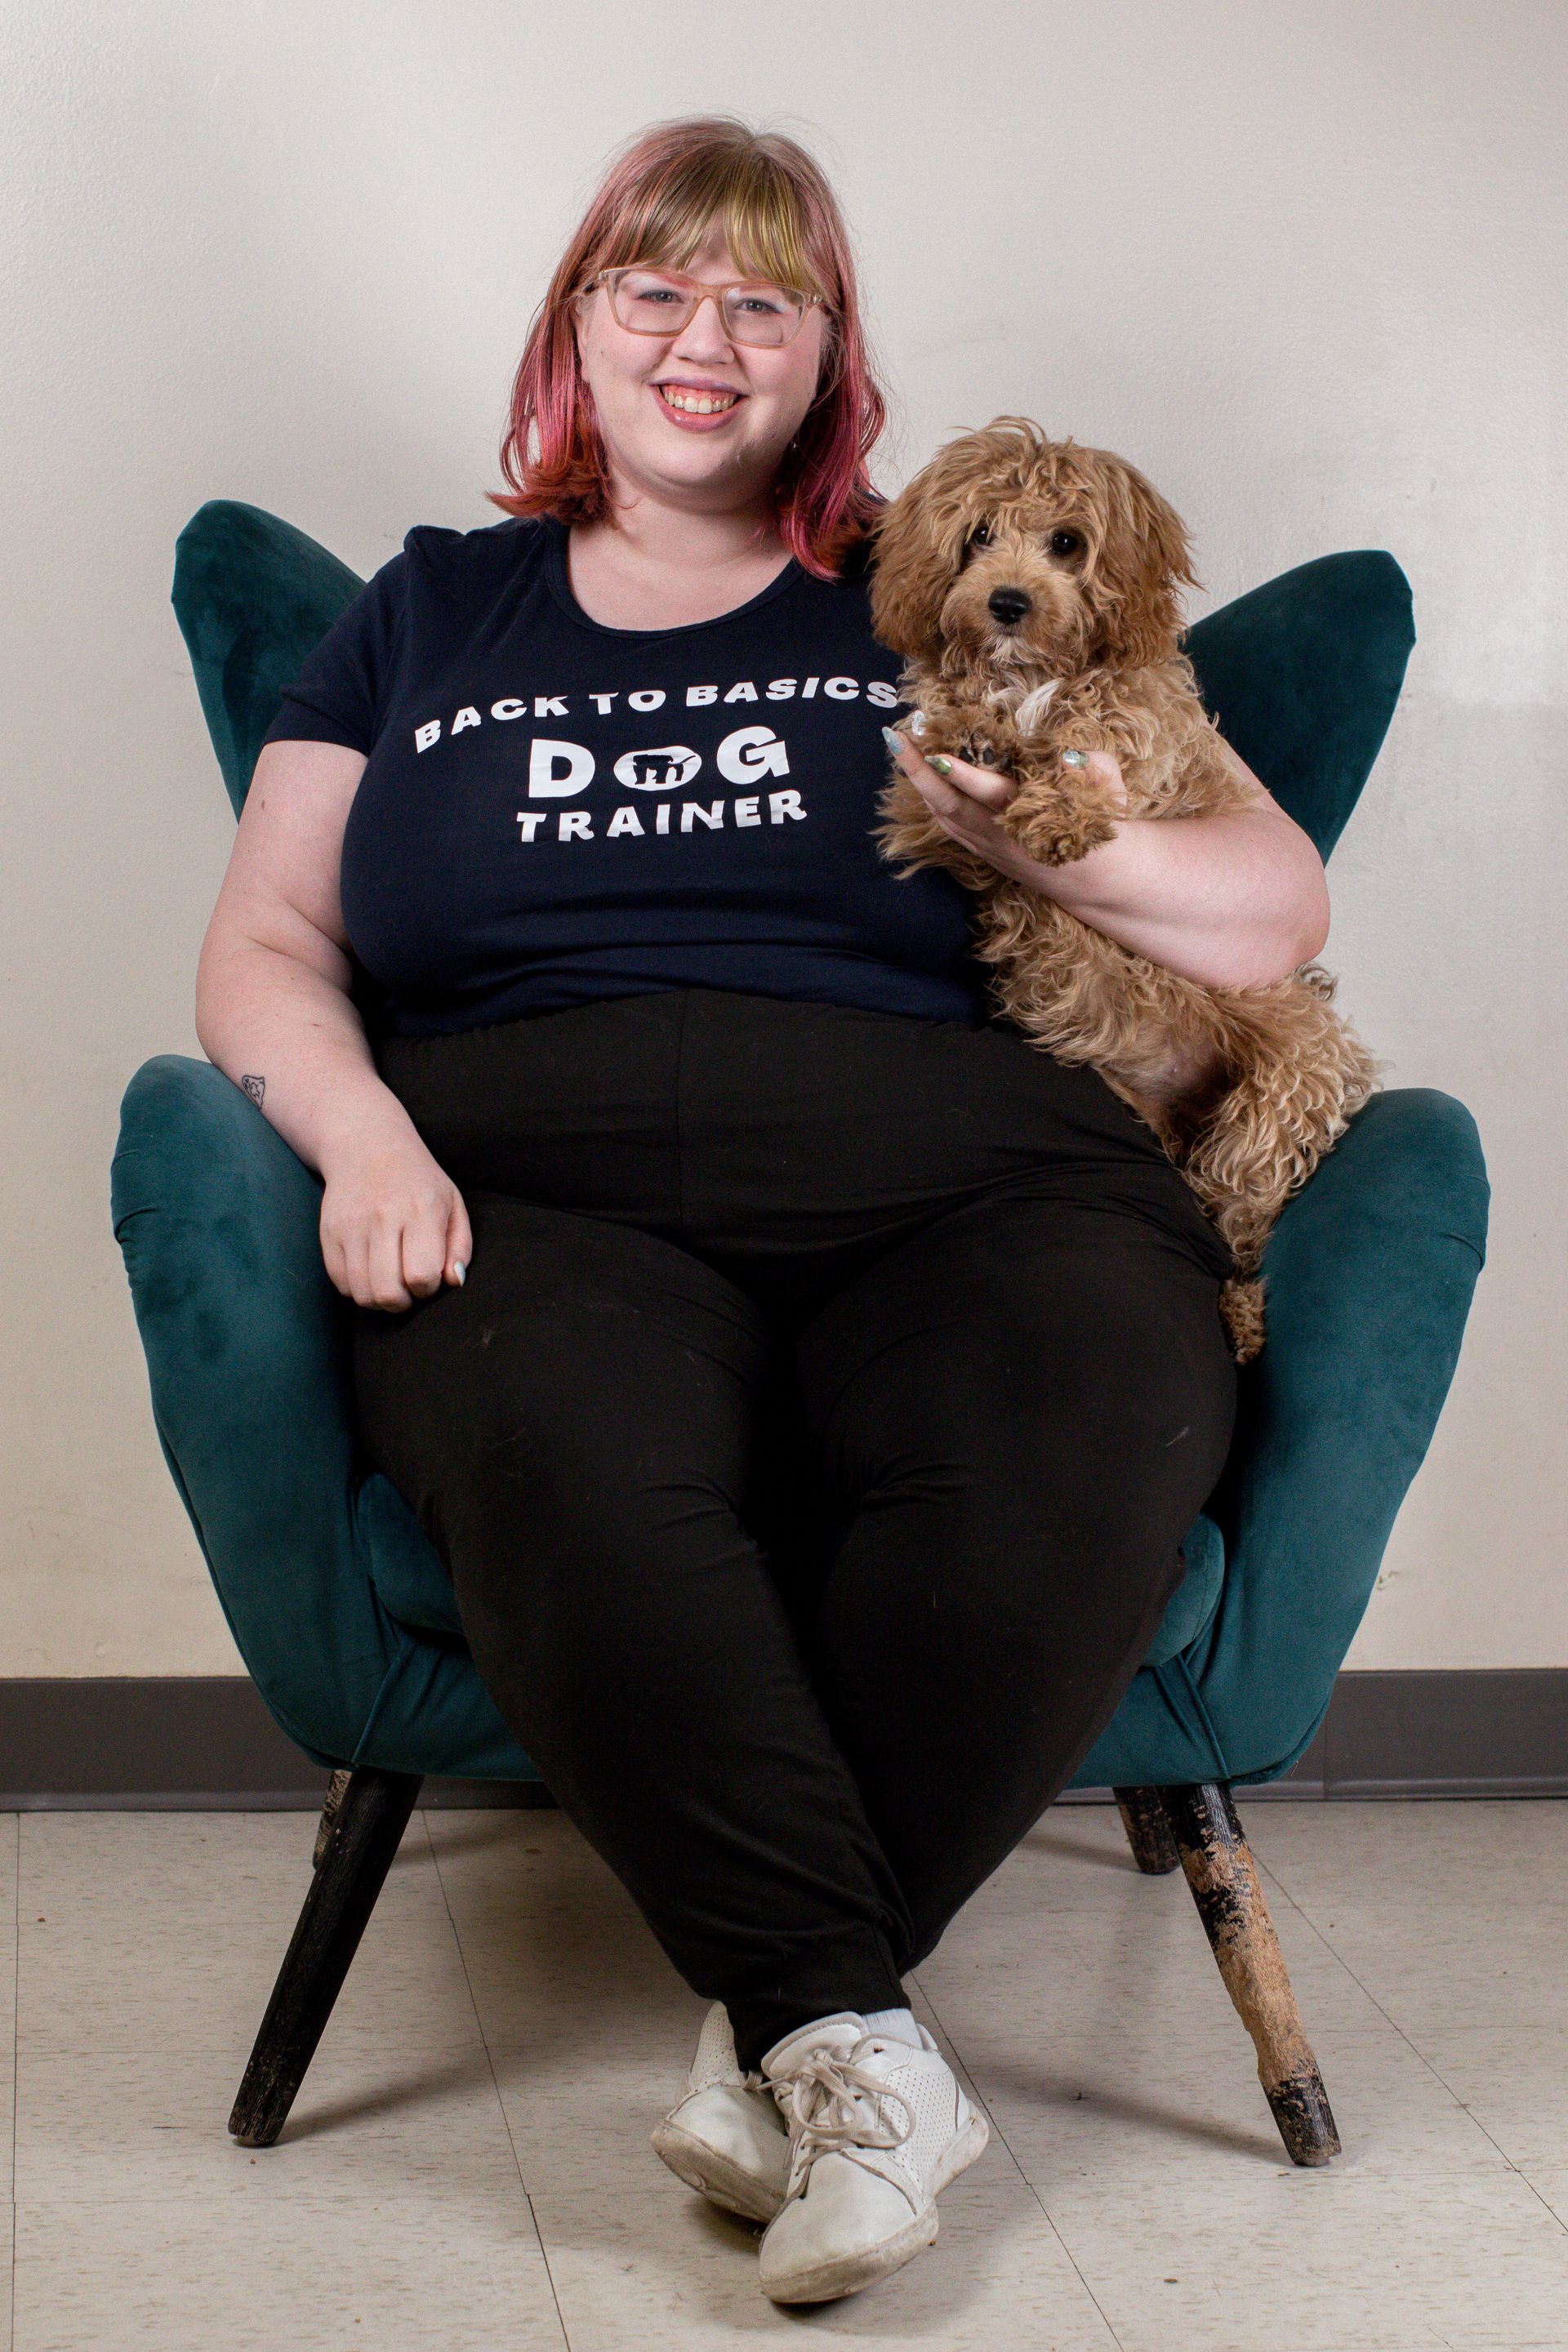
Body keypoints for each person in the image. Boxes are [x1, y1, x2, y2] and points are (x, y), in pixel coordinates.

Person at [194, 116, 1329, 2308]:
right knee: (560, 1453)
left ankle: (798, 2030)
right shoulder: (425, 614)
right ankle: (856, 2045)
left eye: (764, 300)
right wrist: (360, 1137)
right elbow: (262, 942)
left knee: (1101, 1398)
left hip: (965, 1171)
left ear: (829, 356)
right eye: (653, 287)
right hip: (532, 1180)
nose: (702, 337)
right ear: (575, 328)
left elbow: (1269, 909)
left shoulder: (951, 587)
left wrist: (1033, 850)